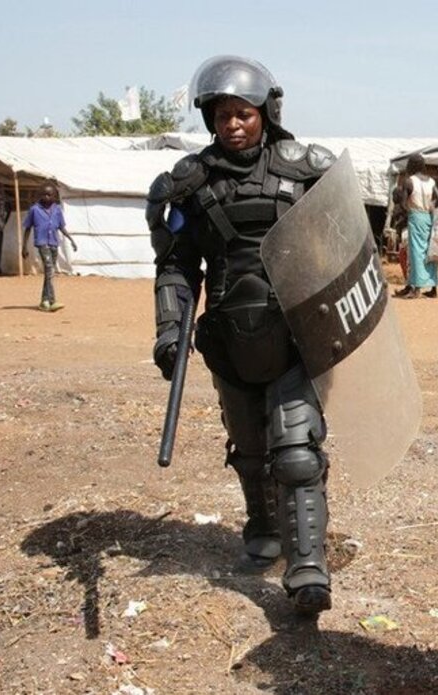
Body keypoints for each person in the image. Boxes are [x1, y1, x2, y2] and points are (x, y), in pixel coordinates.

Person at [144, 55, 339, 615]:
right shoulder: (187, 185)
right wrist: (168, 330)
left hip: (296, 336)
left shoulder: (308, 171)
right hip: (230, 339)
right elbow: (176, 267)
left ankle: (308, 567)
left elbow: (344, 252)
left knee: (297, 451)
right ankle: (263, 525)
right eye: (222, 114)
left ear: (266, 112)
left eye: (243, 113)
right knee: (251, 450)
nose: (233, 123)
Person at [21, 184, 78, 311]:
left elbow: (61, 227)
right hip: (42, 243)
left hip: (54, 243)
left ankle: (44, 301)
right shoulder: (34, 210)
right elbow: (27, 228)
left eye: (49, 194)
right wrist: (24, 246)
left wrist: (71, 239)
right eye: (43, 194)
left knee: (49, 273)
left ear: (54, 196)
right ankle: (52, 301)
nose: (46, 197)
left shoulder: (57, 209)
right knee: (49, 269)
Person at [393, 153, 438, 299]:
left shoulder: (409, 181)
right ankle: (433, 289)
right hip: (428, 216)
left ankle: (416, 290)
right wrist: (430, 208)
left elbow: (402, 204)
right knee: (430, 252)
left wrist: (410, 212)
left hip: (415, 217)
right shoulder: (431, 181)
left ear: (411, 165)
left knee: (415, 253)